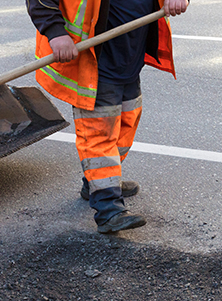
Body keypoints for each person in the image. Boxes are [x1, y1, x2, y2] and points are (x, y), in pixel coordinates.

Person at [27, 0, 188, 234]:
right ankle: (109, 209)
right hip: (96, 62)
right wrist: (55, 33)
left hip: (130, 57)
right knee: (99, 134)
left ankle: (96, 183)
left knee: (127, 123)